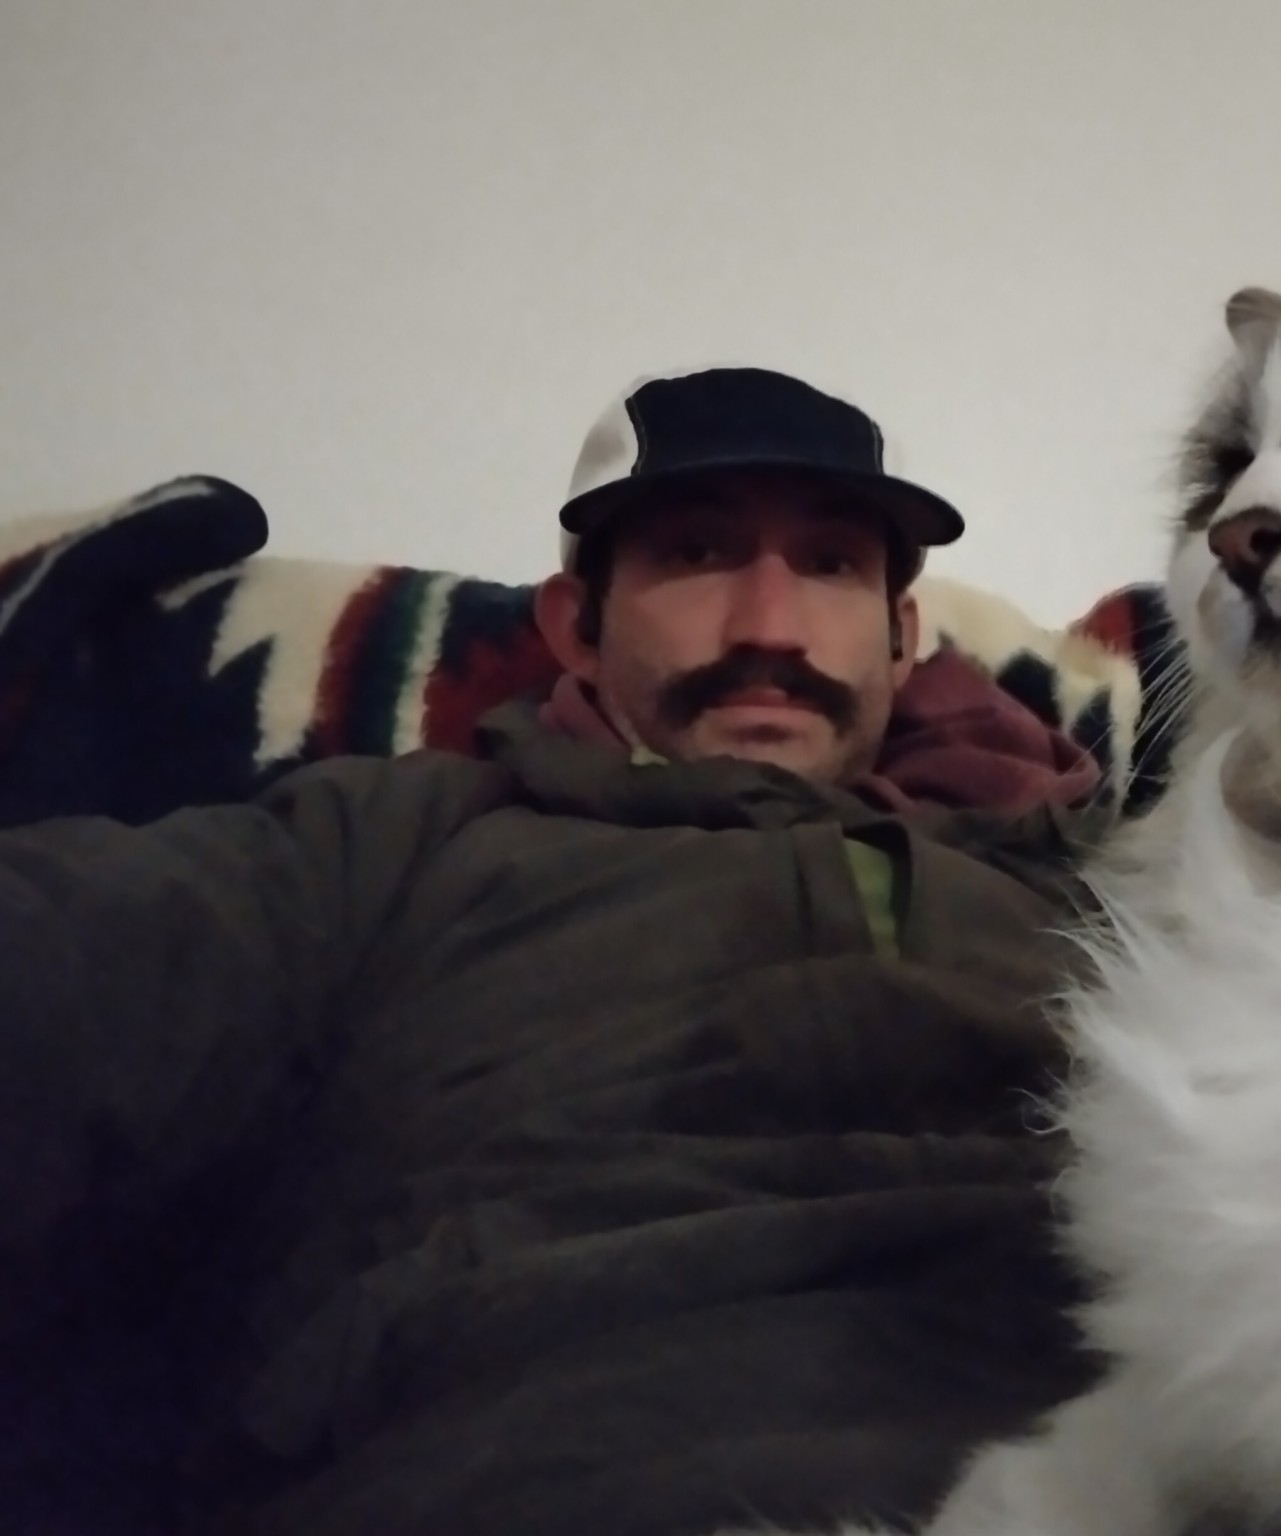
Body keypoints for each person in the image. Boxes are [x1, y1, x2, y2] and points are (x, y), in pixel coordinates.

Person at [0, 367, 1109, 1536]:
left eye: (831, 563)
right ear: (573, 625)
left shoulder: (1108, 878)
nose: (770, 628)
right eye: (696, 552)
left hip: (1121, 1436)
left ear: (901, 637)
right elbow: (74, 957)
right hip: (544, 1449)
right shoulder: (401, 836)